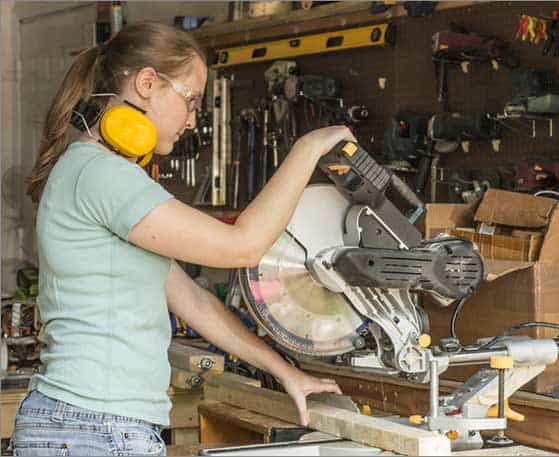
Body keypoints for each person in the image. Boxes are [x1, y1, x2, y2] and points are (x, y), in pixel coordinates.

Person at [12, 21, 355, 456]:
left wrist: (283, 370)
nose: (193, 119)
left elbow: (192, 300)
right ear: (148, 83)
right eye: (190, 100)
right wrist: (307, 150)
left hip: (87, 425)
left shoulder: (93, 171)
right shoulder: (104, 175)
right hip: (92, 428)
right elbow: (243, 247)